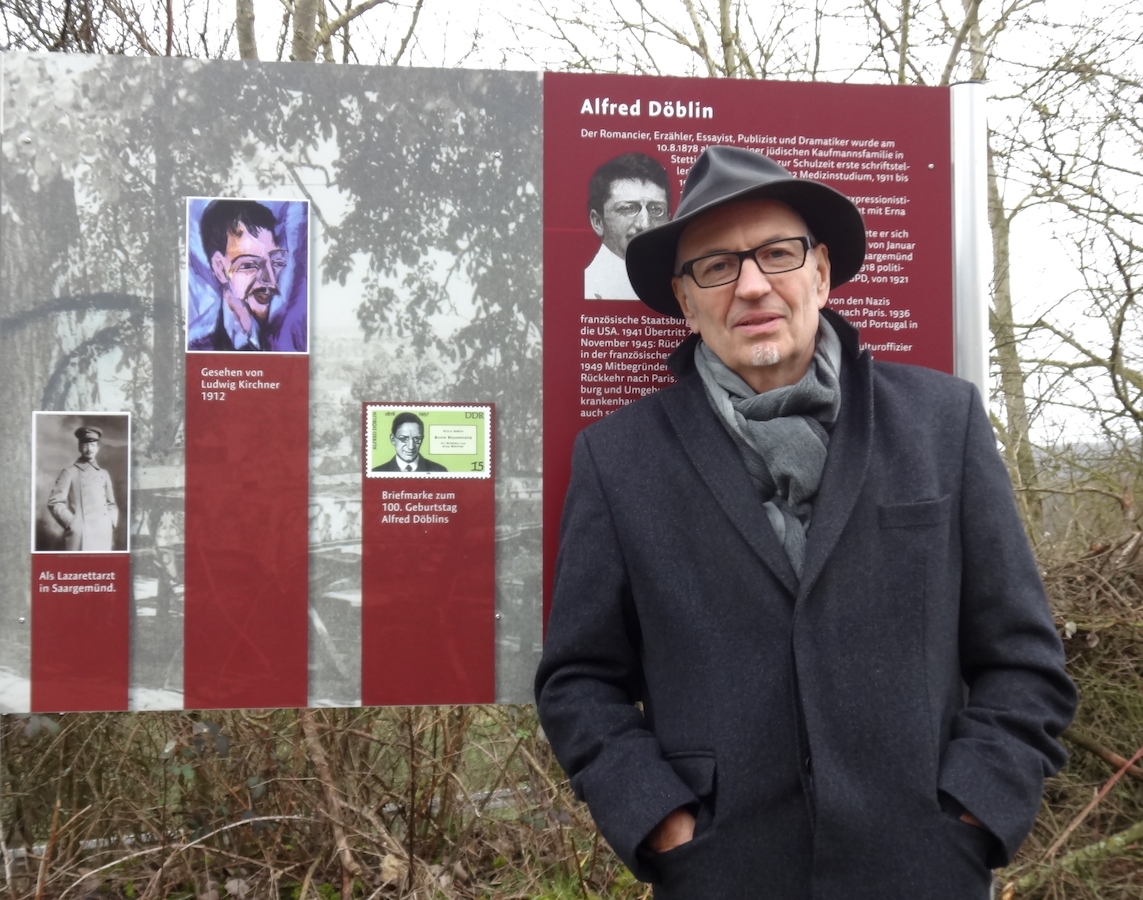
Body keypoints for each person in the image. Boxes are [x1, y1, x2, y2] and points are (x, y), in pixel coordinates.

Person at [535, 146, 1077, 899]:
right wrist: (662, 822)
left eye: (777, 254)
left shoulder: (940, 423)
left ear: (820, 272)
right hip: (724, 876)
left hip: (923, 870)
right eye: (716, 266)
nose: (752, 284)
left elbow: (1022, 657)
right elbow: (578, 680)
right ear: (685, 301)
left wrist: (974, 814)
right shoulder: (619, 458)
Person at [191, 199, 291, 352]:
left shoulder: (286, 337)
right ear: (219, 268)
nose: (270, 281)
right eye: (249, 265)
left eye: (275, 263)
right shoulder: (198, 345)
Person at [584, 153, 670, 300]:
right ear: (598, 222)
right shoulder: (590, 289)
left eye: (656, 209)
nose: (645, 224)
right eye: (629, 208)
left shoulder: (675, 285)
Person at [46, 425, 119, 552]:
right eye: (85, 445)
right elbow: (55, 502)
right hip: (80, 534)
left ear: (97, 448)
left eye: (92, 445)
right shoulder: (69, 472)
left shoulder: (104, 474)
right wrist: (72, 523)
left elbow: (111, 503)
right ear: (79, 447)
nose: (89, 449)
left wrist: (110, 521)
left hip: (103, 532)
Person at [372, 412, 448, 473]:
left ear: (422, 439)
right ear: (392, 439)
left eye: (417, 439)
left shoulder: (440, 471)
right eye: (403, 439)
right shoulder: (376, 472)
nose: (411, 447)